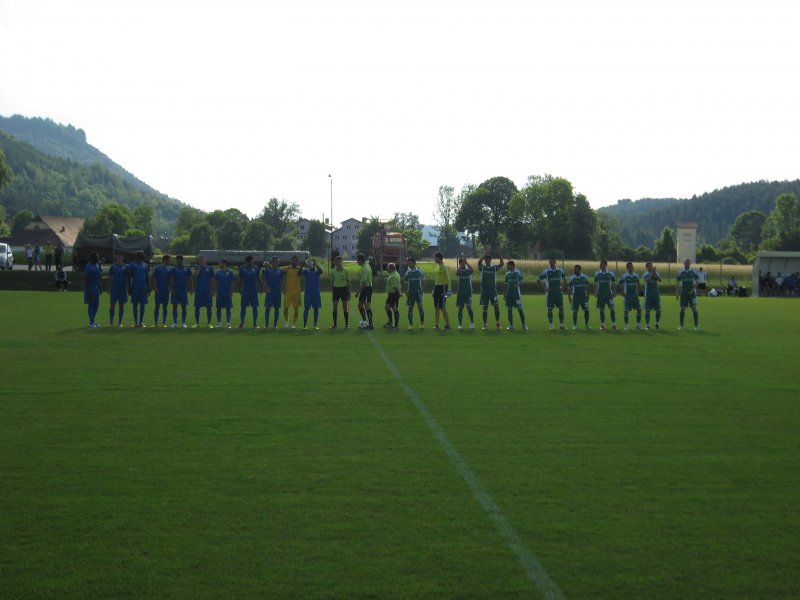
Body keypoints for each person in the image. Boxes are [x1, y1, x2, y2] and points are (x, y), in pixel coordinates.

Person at [537, 256, 566, 330]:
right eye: (550, 262)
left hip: (559, 294)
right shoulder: (546, 271)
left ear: (555, 262)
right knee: (550, 310)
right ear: (549, 262)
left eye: (553, 262)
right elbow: (538, 279)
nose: (551, 263)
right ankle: (551, 325)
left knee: (561, 309)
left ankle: (561, 325)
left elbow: (564, 279)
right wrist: (544, 288)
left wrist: (562, 287)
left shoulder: (560, 270)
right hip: (550, 294)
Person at [477, 253, 504, 330]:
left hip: (493, 291)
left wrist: (500, 256)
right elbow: (479, 262)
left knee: (496, 306)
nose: (486, 260)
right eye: (485, 259)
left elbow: (502, 264)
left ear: (490, 260)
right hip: (484, 291)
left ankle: (498, 323)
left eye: (487, 259)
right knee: (485, 307)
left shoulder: (494, 267)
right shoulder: (483, 268)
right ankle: (485, 324)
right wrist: (484, 255)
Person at [238, 255, 262, 328]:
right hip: (245, 291)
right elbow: (240, 279)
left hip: (254, 290)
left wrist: (261, 286)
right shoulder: (242, 268)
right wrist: (239, 288)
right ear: (247, 262)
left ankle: (255, 324)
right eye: (251, 262)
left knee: (255, 307)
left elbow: (258, 277)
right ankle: (242, 324)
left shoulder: (256, 268)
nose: (252, 263)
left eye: (252, 261)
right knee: (243, 307)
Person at [676, 258, 699, 331]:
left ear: (690, 263)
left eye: (688, 263)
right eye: (685, 263)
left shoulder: (693, 271)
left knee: (694, 308)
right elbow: (678, 283)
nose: (686, 264)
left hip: (692, 293)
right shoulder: (681, 272)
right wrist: (677, 293)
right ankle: (681, 325)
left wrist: (693, 290)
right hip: (683, 293)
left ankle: (696, 326)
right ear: (684, 263)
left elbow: (697, 281)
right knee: (682, 308)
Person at [593, 260, 617, 331]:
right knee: (601, 310)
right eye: (600, 264)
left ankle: (614, 324)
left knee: (612, 309)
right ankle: (603, 325)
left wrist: (614, 291)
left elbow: (613, 283)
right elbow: (595, 283)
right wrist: (595, 292)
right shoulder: (597, 273)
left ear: (605, 265)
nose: (600, 266)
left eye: (601, 264)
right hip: (600, 294)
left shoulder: (611, 273)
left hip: (609, 294)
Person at [107, 253, 130, 327]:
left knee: (121, 306)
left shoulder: (126, 266)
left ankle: (120, 323)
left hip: (123, 289)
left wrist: (129, 288)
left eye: (120, 257)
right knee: (112, 305)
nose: (118, 259)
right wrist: (109, 288)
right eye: (117, 257)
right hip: (114, 289)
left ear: (122, 258)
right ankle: (111, 322)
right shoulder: (113, 266)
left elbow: (129, 278)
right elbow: (110, 277)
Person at [129, 250, 150, 328]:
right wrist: (129, 287)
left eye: (142, 254)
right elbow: (129, 277)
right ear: (137, 256)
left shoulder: (145, 265)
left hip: (143, 287)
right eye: (140, 254)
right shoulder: (132, 265)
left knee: (142, 305)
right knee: (135, 305)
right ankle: (135, 322)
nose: (142, 256)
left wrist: (149, 287)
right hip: (135, 287)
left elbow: (147, 276)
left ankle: (141, 322)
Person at [170, 254, 192, 328]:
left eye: (179, 260)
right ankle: (175, 322)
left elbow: (190, 279)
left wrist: (191, 288)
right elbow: (171, 279)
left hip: (183, 290)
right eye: (177, 260)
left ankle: (183, 322)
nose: (178, 261)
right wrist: (172, 289)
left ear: (182, 260)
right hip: (175, 290)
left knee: (183, 307)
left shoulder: (187, 269)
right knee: (174, 307)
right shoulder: (173, 269)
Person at [618, 261, 642, 331]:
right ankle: (626, 325)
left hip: (635, 296)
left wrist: (638, 291)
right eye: (630, 267)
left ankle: (638, 325)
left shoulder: (636, 275)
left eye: (632, 267)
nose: (632, 268)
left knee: (639, 309)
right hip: (627, 296)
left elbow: (638, 283)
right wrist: (622, 292)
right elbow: (619, 284)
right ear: (627, 268)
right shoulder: (624, 275)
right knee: (626, 311)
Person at [504, 260, 527, 330]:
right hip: (509, 295)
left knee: (520, 310)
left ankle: (524, 325)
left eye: (508, 265)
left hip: (516, 295)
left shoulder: (518, 272)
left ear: (511, 265)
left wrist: (518, 284)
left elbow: (522, 281)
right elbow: (505, 284)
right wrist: (504, 293)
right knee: (509, 310)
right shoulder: (507, 274)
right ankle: (511, 326)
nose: (507, 267)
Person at [300, 259, 323, 329]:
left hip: (316, 292)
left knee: (316, 309)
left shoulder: (317, 272)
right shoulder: (306, 271)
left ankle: (315, 325)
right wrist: (303, 264)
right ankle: (305, 325)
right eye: (310, 263)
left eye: (312, 263)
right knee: (306, 308)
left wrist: (315, 264)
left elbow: (321, 271)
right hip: (308, 292)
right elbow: (299, 272)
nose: (311, 264)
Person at [193, 254, 215, 328]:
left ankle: (209, 323)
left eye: (203, 259)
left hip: (207, 291)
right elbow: (196, 275)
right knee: (197, 307)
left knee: (209, 307)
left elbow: (212, 280)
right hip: (199, 291)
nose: (201, 261)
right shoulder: (197, 267)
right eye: (200, 260)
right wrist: (200, 267)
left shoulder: (210, 268)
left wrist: (212, 290)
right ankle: (197, 323)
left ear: (205, 260)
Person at [281, 255, 303, 328]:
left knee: (296, 310)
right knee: (285, 308)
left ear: (298, 261)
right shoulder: (287, 268)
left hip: (296, 292)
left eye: (296, 260)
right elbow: (277, 269)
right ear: (291, 261)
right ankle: (286, 321)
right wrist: (269, 265)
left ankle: (293, 324)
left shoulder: (300, 269)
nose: (295, 262)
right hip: (288, 291)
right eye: (293, 260)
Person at [329, 255, 350, 329]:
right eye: (337, 261)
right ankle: (335, 324)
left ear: (341, 262)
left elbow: (348, 283)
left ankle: (347, 324)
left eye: (340, 261)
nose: (339, 263)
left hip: (344, 290)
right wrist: (332, 293)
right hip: (336, 290)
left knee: (345, 307)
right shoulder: (333, 271)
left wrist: (349, 293)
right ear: (335, 262)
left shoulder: (346, 271)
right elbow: (332, 283)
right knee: (335, 307)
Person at [567, 264, 591, 330]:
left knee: (587, 311)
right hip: (575, 297)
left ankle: (586, 325)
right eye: (574, 269)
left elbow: (587, 286)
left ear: (579, 270)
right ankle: (574, 325)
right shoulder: (572, 278)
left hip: (583, 297)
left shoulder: (585, 277)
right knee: (575, 311)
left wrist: (588, 296)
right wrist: (569, 297)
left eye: (575, 269)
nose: (574, 270)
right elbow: (569, 288)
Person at [151, 255, 172, 327]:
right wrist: (155, 288)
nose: (170, 261)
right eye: (169, 260)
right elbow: (154, 279)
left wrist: (170, 287)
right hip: (158, 291)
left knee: (165, 307)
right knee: (157, 306)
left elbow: (170, 280)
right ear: (165, 260)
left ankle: (164, 323)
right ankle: (155, 323)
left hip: (165, 291)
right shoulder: (158, 268)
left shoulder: (169, 269)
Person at [263, 256, 284, 329]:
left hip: (277, 292)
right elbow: (264, 280)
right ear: (272, 262)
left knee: (277, 308)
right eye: (276, 261)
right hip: (270, 292)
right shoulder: (267, 270)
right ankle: (266, 324)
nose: (277, 262)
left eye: (278, 261)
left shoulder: (280, 271)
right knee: (268, 308)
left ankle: (275, 324)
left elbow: (281, 280)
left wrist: (282, 288)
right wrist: (266, 288)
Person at [404, 257, 425, 328]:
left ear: (414, 263)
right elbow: (406, 283)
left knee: (420, 308)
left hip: (418, 292)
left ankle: (422, 323)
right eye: (408, 262)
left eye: (409, 262)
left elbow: (423, 281)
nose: (408, 264)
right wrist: (406, 291)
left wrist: (422, 289)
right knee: (410, 308)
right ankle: (410, 324)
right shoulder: (407, 272)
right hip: (410, 293)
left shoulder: (419, 271)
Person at [432, 252, 451, 330]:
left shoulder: (444, 267)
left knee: (442, 307)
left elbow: (448, 279)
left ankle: (447, 324)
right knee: (436, 307)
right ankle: (437, 324)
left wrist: (449, 289)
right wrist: (434, 289)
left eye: (435, 258)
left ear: (439, 258)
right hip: (437, 288)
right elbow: (437, 279)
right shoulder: (438, 267)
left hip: (443, 288)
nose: (434, 259)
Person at [455, 257, 475, 329]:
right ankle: (460, 324)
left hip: (468, 292)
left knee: (469, 307)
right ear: (460, 263)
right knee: (460, 308)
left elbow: (472, 270)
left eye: (463, 263)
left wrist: (466, 263)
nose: (463, 264)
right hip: (460, 292)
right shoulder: (459, 271)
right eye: (461, 263)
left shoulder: (468, 271)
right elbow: (457, 273)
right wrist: (461, 264)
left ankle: (472, 322)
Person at [214, 259, 235, 328]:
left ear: (224, 264)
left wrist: (231, 292)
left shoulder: (230, 272)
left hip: (227, 293)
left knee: (228, 308)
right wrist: (215, 292)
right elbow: (216, 283)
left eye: (220, 263)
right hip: (219, 293)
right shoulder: (218, 272)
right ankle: (219, 323)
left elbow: (232, 283)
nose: (219, 265)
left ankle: (228, 323)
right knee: (218, 308)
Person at [355, 253, 374, 329]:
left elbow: (364, 282)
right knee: (360, 305)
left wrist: (358, 292)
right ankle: (365, 322)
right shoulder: (367, 265)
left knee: (367, 307)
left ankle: (371, 324)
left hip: (366, 289)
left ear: (361, 260)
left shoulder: (364, 269)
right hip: (367, 289)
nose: (357, 261)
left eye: (357, 260)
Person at [84, 252, 102, 327]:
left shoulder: (97, 265)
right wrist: (89, 291)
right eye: (96, 257)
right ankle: (91, 322)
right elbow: (86, 280)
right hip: (90, 287)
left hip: (96, 287)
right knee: (91, 304)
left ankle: (93, 321)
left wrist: (100, 287)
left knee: (96, 304)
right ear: (92, 258)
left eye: (98, 257)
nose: (97, 258)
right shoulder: (88, 266)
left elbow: (98, 277)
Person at [643, 262, 662, 330]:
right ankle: (647, 325)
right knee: (647, 310)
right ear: (646, 267)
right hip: (648, 295)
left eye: (651, 266)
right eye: (648, 266)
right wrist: (652, 274)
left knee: (659, 310)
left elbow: (660, 280)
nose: (650, 267)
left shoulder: (656, 273)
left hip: (656, 295)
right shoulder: (645, 274)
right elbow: (647, 280)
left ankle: (657, 323)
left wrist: (655, 274)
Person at [384, 262, 401, 328]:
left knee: (392, 308)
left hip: (393, 294)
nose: (387, 268)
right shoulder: (396, 274)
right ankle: (391, 322)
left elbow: (395, 287)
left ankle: (394, 324)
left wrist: (398, 293)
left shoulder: (393, 276)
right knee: (389, 307)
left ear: (390, 268)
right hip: (393, 294)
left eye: (388, 267)